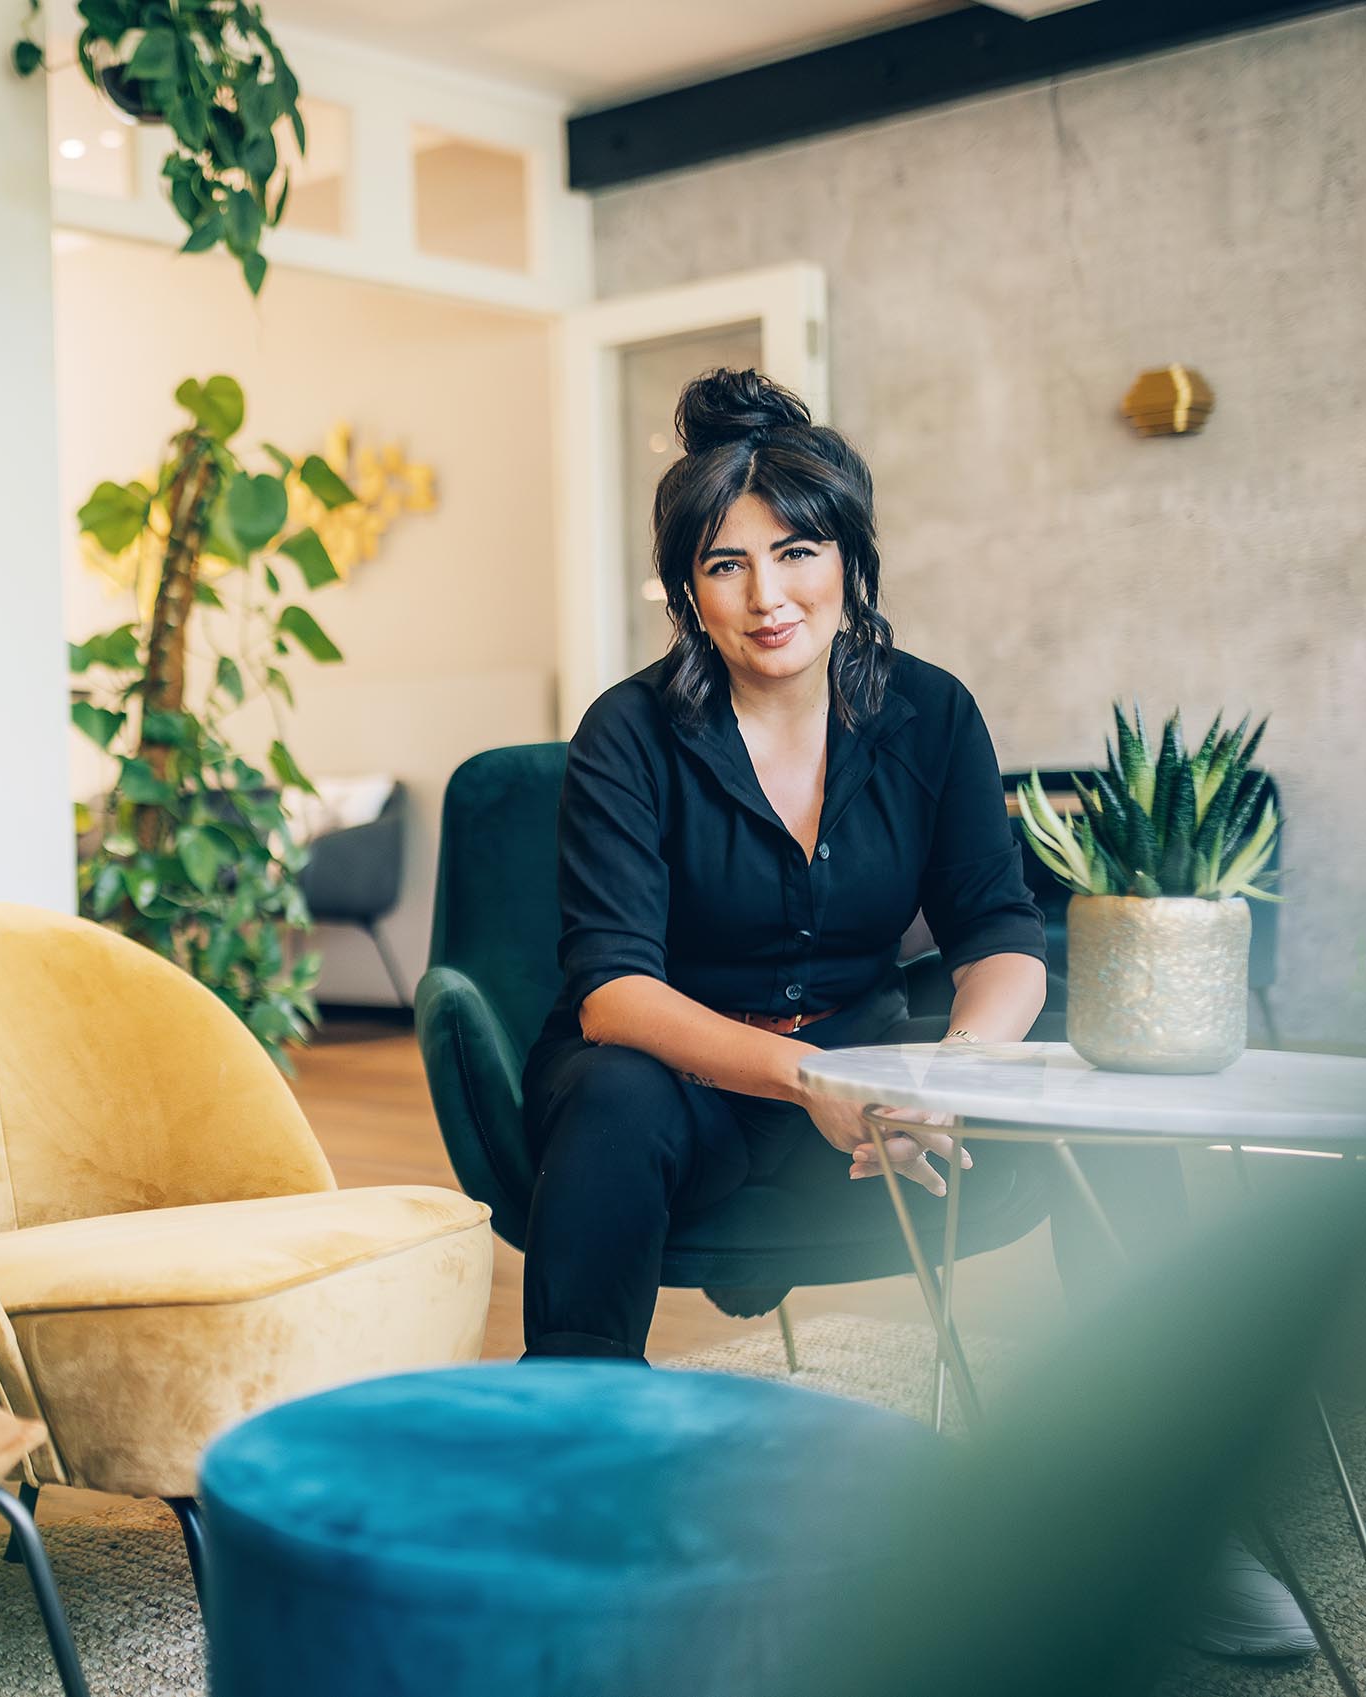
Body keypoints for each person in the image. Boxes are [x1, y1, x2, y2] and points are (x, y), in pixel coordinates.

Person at [520, 367, 1308, 1660]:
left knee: (1097, 1098)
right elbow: (614, 989)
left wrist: (948, 1076)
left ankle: (1165, 1508)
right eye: (725, 565)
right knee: (611, 1090)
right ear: (686, 589)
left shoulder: (931, 712)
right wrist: (815, 1086)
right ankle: (578, 1479)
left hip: (874, 1074)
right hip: (681, 1085)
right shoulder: (628, 734)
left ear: (849, 558)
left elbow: (1001, 932)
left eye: (797, 552)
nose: (767, 596)